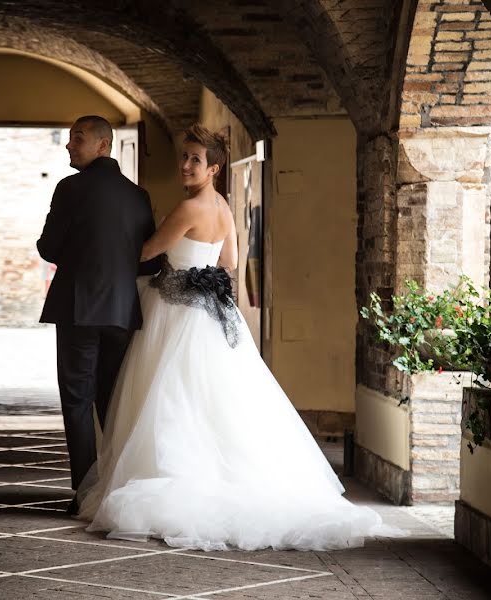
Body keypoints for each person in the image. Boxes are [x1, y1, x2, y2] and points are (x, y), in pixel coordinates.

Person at [75, 124, 402, 551]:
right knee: (215, 399)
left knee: (172, 398)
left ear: (213, 168)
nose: (186, 166)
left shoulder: (188, 209)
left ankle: (177, 482)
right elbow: (229, 259)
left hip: (175, 311)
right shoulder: (225, 207)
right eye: (185, 157)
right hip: (212, 312)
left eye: (196, 160)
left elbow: (146, 252)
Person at [37, 115, 160, 513]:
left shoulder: (69, 188)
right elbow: (147, 263)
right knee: (114, 399)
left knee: (76, 398)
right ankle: (115, 486)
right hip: (123, 309)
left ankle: (85, 491)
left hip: (78, 306)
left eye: (78, 138)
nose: (69, 145)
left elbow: (49, 248)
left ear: (103, 145)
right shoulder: (138, 196)